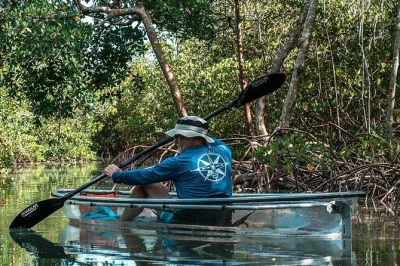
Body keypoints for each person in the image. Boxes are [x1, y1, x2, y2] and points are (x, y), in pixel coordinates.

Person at [104, 116, 233, 225]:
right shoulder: (224, 150)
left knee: (144, 185)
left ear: (191, 137)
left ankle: (122, 225)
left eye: (178, 136)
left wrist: (117, 175)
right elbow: (212, 141)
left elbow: (145, 176)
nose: (176, 141)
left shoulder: (178, 162)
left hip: (188, 221)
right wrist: (201, 132)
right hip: (223, 218)